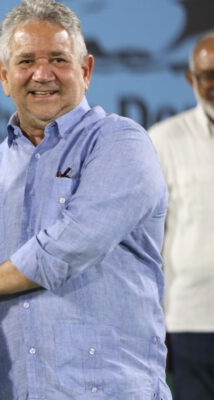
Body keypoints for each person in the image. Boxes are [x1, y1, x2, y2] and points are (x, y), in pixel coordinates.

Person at [0, 0, 172, 399]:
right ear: (3, 75)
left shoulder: (119, 142)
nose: (42, 74)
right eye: (26, 60)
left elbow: (72, 243)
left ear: (86, 70)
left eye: (59, 59)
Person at [148, 32, 214, 400]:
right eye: (208, 75)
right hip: (191, 317)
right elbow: (150, 240)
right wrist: (158, 320)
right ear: (191, 79)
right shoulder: (163, 140)